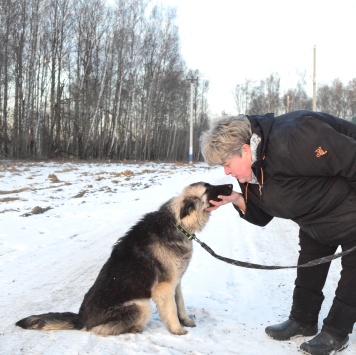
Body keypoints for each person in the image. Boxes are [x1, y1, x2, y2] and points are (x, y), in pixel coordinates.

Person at [199, 110, 356, 355]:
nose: (227, 172)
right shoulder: (251, 169)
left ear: (245, 149)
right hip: (314, 216)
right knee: (310, 263)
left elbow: (352, 158)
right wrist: (237, 199)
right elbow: (261, 214)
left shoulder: (294, 136)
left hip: (349, 208)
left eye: (227, 164)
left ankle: (336, 332)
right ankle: (303, 320)